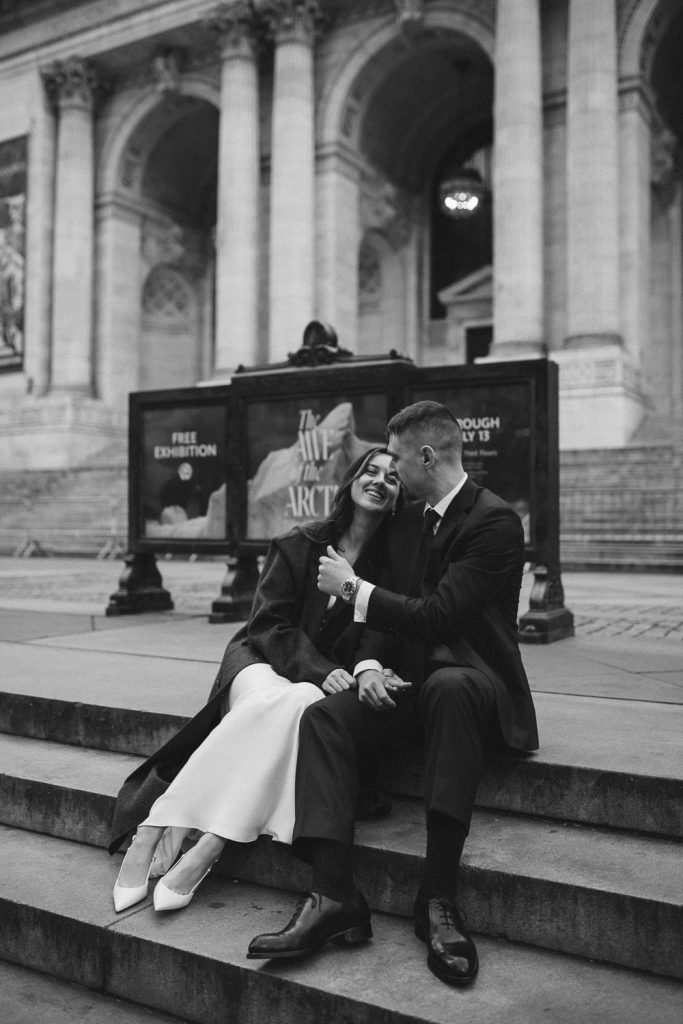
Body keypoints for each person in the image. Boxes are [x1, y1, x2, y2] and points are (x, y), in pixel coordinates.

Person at [246, 401, 539, 986]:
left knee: (452, 686)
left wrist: (352, 587)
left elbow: (439, 615)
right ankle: (333, 896)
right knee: (326, 718)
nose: (393, 472)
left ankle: (437, 897)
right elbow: (390, 609)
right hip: (404, 683)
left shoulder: (494, 521)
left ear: (426, 455)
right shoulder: (408, 519)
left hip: (473, 680)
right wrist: (371, 665)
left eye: (399, 459)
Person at [109, 446, 402, 913]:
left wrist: (373, 667)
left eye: (393, 478)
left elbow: (383, 634)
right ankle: (153, 833)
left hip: (310, 684)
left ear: (397, 499)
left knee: (302, 703)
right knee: (283, 697)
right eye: (371, 470)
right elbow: (267, 624)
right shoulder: (299, 542)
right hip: (259, 660)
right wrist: (322, 671)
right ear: (350, 481)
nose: (380, 481)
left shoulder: (390, 572)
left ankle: (209, 843)